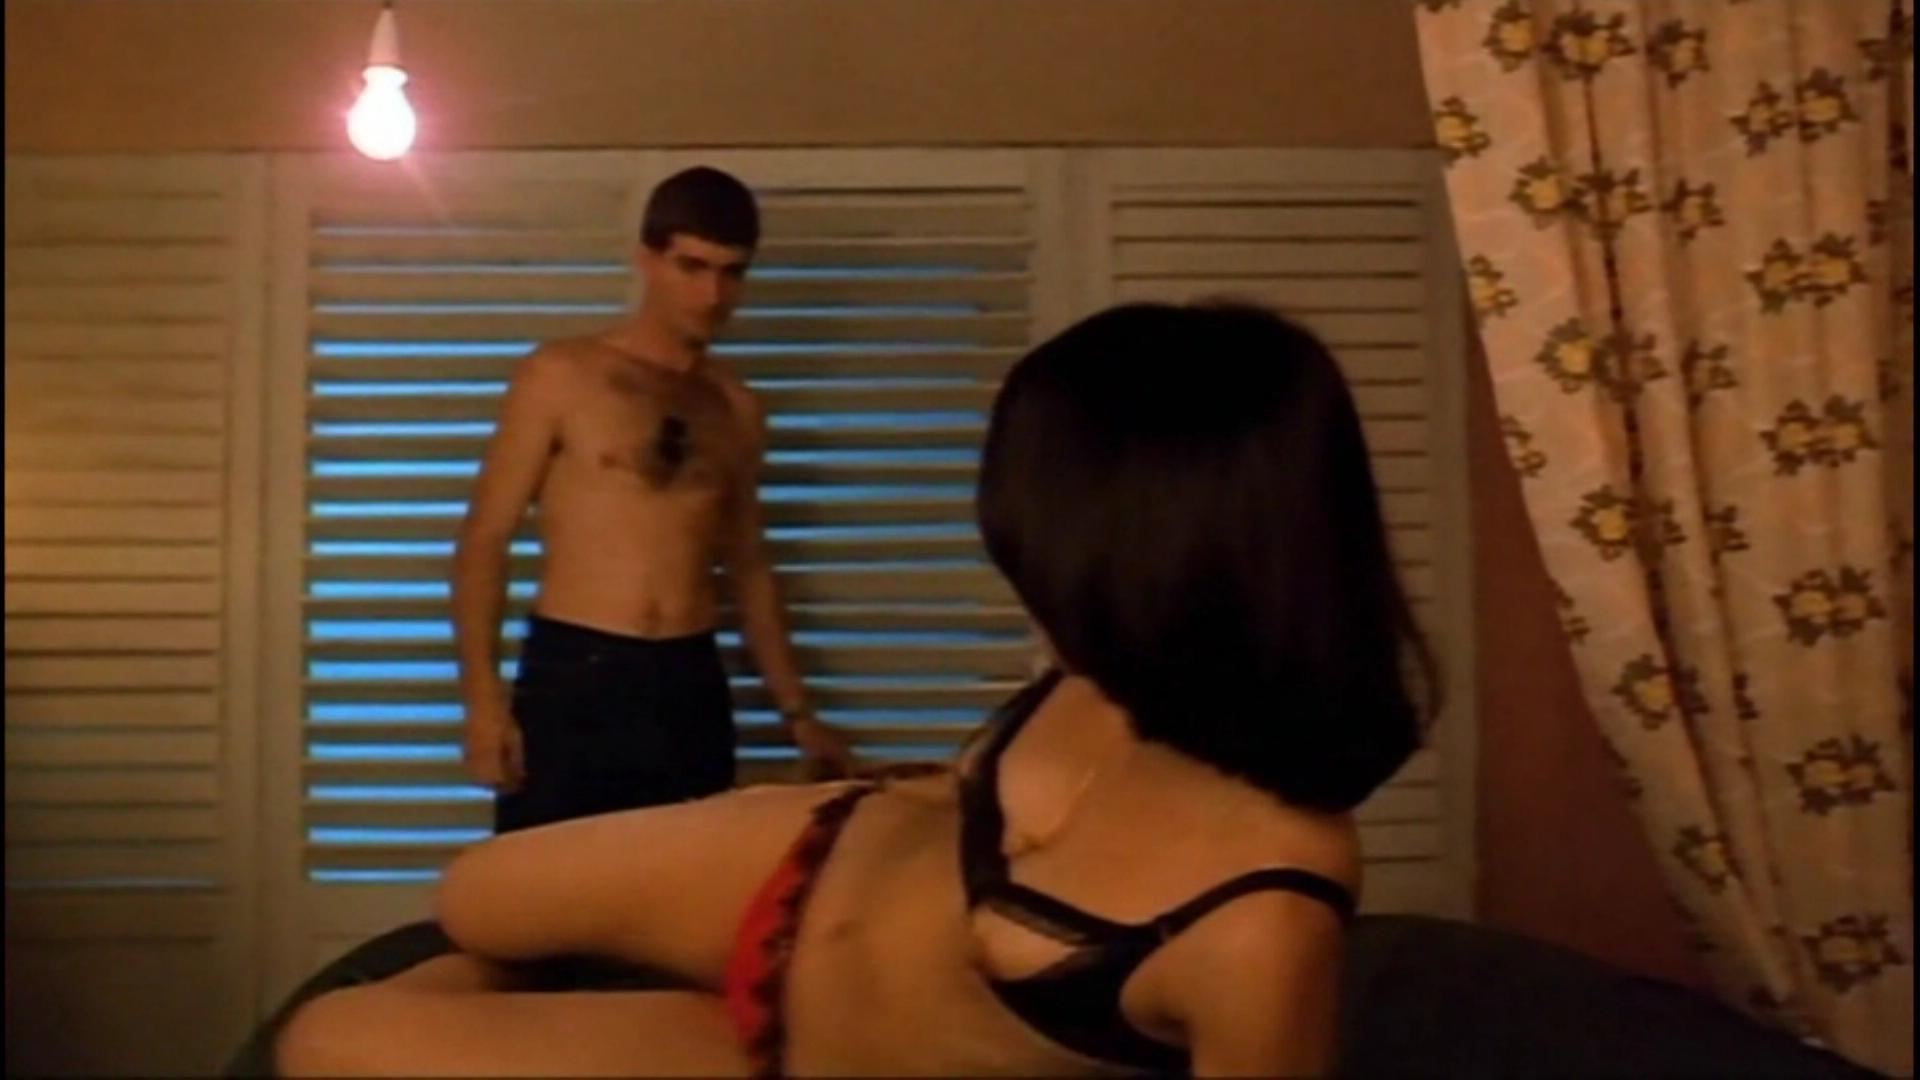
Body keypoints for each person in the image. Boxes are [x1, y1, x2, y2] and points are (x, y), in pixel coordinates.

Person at [277, 301, 1434, 1077]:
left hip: (791, 1054)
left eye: (1047, 560)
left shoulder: (1264, 917)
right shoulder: (1127, 671)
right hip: (809, 857)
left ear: (1170, 562)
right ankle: (583, 978)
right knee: (476, 894)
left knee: (327, 1040)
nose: (1030, 594)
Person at [452, 165, 857, 834]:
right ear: (648, 259)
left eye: (731, 273)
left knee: (681, 883)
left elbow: (749, 567)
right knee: (551, 882)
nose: (712, 294)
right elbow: (484, 538)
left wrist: (799, 714)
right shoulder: (563, 375)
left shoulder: (736, 407)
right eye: (691, 267)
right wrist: (482, 701)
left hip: (687, 679)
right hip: (577, 670)